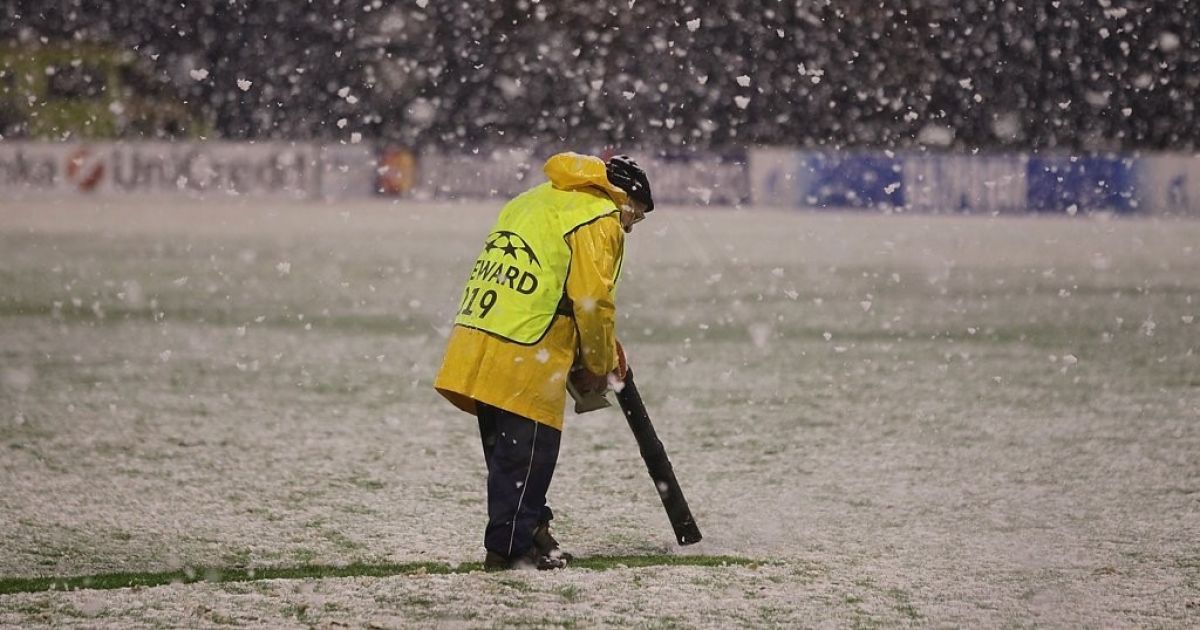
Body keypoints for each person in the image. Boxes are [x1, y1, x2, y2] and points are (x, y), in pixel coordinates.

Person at [434, 152, 654, 570]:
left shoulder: (534, 200)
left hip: (482, 332)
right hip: (528, 345)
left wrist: (600, 346)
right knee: (530, 454)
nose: (630, 226)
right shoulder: (598, 216)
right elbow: (591, 301)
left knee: (507, 455)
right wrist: (598, 361)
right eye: (636, 216)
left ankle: (532, 531)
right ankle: (512, 549)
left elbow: (551, 281)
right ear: (625, 199)